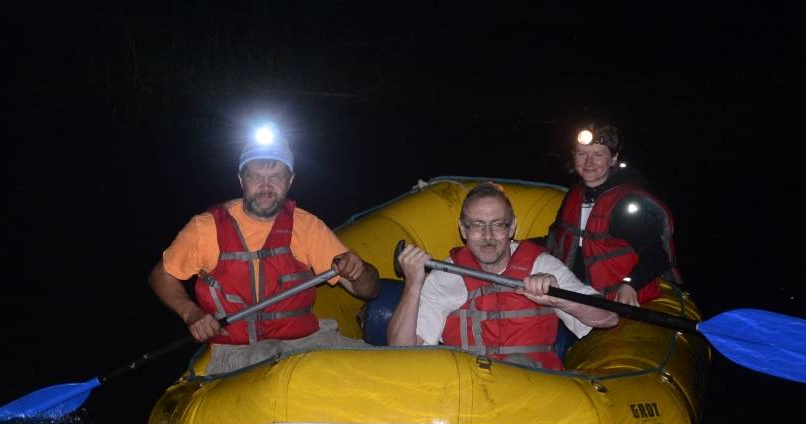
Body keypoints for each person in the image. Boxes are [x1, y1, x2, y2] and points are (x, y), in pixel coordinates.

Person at [149, 124, 379, 375]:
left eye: (276, 177)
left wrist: (360, 272)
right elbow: (161, 275)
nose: (266, 187)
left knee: (373, 367)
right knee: (282, 374)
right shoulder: (206, 227)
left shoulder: (307, 225)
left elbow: (368, 290)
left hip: (306, 343)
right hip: (239, 353)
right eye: (256, 177)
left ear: (290, 180)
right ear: (241, 180)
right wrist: (191, 313)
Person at [386, 181, 617, 370]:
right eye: (477, 225)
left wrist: (559, 298)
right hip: (471, 393)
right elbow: (401, 351)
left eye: (498, 225)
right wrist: (413, 284)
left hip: (536, 388)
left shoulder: (542, 265)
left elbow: (609, 318)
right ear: (463, 229)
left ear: (513, 227)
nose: (488, 236)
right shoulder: (444, 276)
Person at [545, 123, 681, 308]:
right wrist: (516, 246)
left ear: (614, 159)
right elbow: (554, 241)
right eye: (582, 153)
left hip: (619, 303)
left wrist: (630, 283)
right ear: (573, 156)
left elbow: (657, 255)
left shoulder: (626, 203)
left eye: (598, 154)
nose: (589, 162)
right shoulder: (574, 196)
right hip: (578, 299)